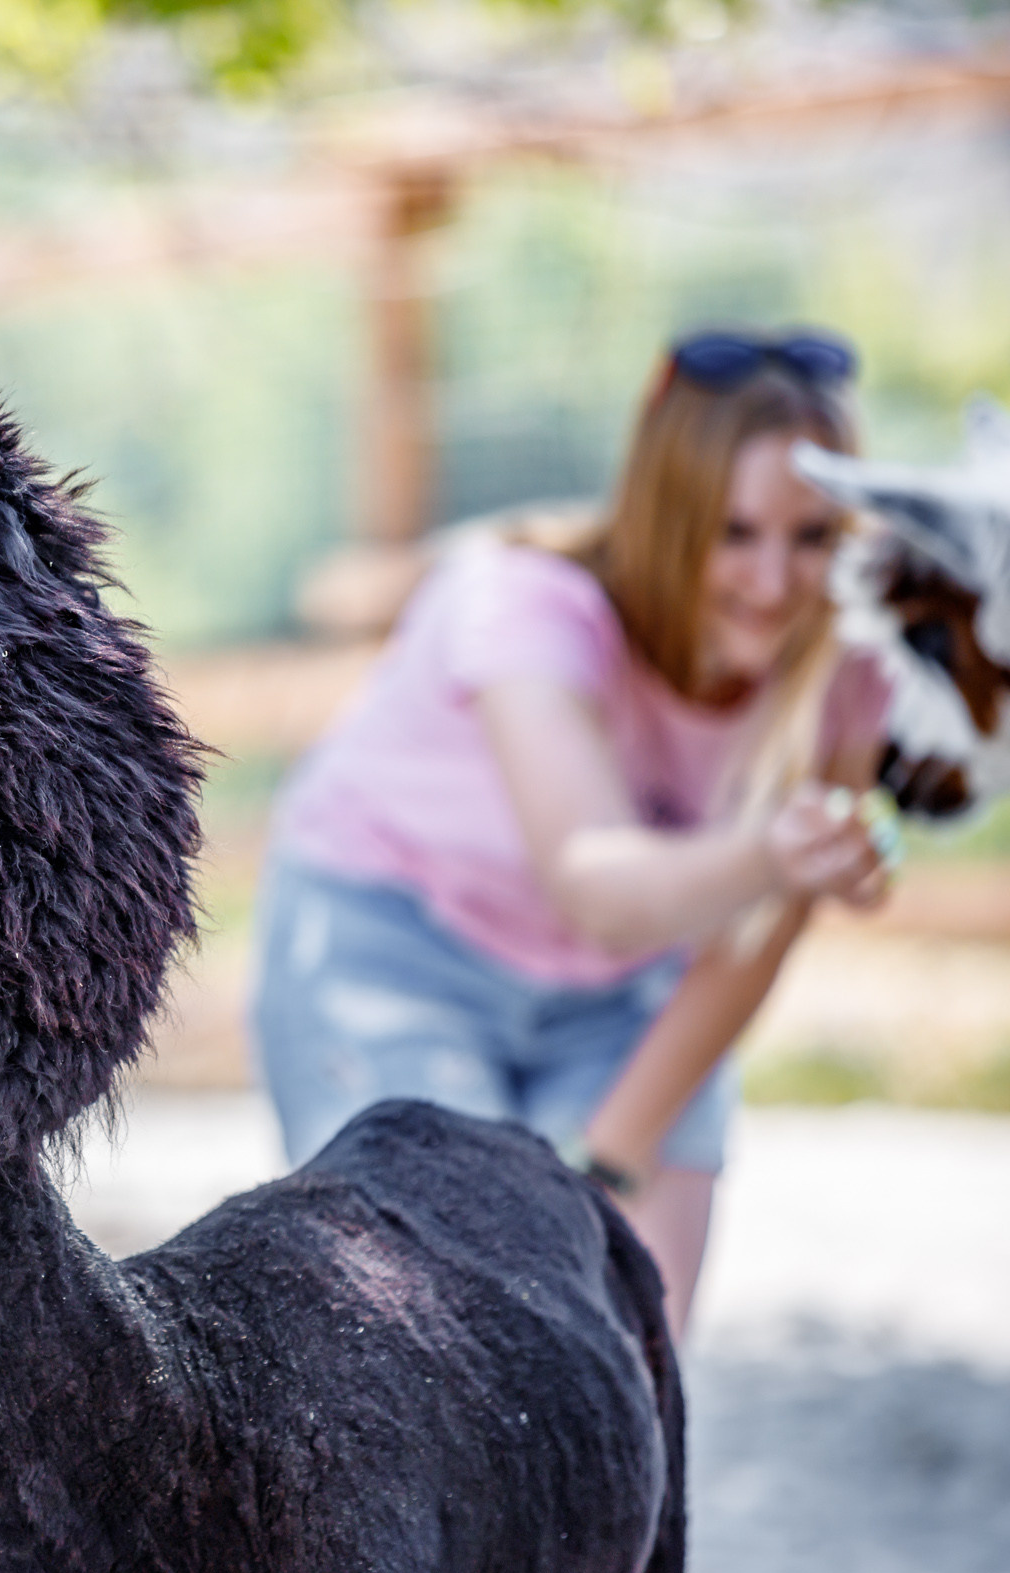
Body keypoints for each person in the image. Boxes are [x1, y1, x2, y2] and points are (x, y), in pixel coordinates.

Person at [248, 329, 893, 1336]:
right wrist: (771, 855)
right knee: (437, 1332)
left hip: (621, 987)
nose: (774, 580)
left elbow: (750, 939)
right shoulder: (525, 603)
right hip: (396, 939)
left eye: (810, 537)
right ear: (669, 515)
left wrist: (611, 1157)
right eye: (734, 532)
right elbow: (594, 880)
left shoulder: (847, 665)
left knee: (632, 1347)